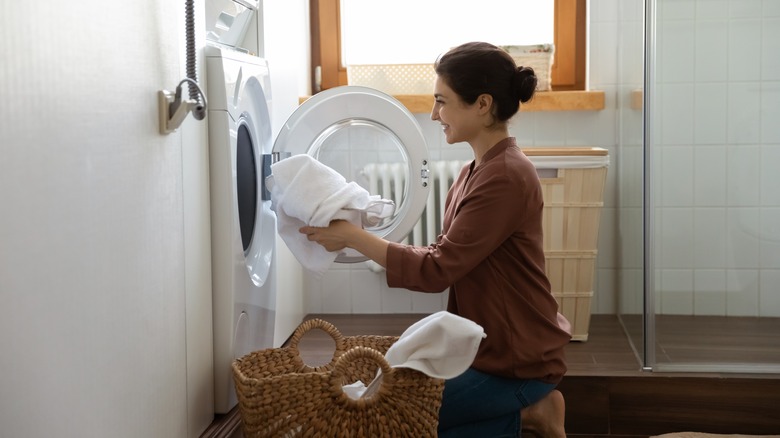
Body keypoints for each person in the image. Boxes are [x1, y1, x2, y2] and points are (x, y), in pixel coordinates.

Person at [301, 41, 570, 438]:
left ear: (482, 104)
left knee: (395, 421)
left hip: (517, 360)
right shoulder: (474, 171)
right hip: (487, 346)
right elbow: (442, 256)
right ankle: (527, 417)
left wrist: (353, 237)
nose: (433, 114)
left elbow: (437, 269)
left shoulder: (507, 176)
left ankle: (531, 412)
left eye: (442, 102)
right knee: (398, 416)